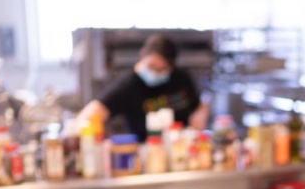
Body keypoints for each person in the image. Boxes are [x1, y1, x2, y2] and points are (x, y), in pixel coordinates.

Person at [78, 33, 208, 141]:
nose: (155, 72)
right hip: (144, 152)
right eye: (151, 66)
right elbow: (94, 111)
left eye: (161, 69)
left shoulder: (182, 78)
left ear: (171, 67)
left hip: (181, 147)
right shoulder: (128, 85)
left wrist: (200, 116)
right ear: (143, 56)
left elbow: (200, 105)